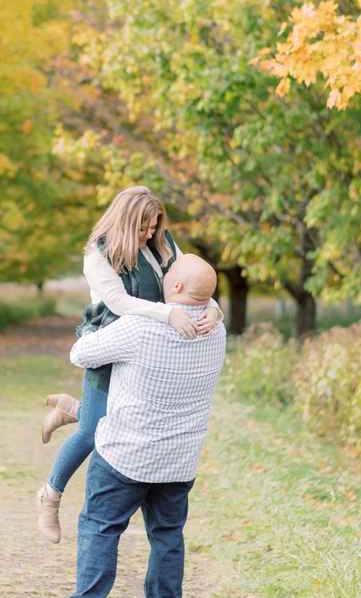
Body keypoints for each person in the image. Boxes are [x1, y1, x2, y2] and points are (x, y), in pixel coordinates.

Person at [46, 253, 226, 598]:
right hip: (179, 460)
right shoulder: (217, 331)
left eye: (167, 274)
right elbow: (208, 305)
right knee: (167, 538)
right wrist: (211, 307)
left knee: (99, 528)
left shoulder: (139, 327)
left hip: (125, 454)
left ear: (175, 287)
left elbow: (81, 354)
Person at [36, 186, 223, 543]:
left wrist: (213, 310)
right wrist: (170, 314)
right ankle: (50, 495)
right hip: (112, 342)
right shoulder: (98, 256)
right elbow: (120, 304)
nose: (151, 234)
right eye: (144, 228)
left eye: (154, 227)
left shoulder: (162, 243)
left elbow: (196, 282)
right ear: (125, 222)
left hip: (154, 346)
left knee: (134, 411)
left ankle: (71, 408)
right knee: (93, 432)